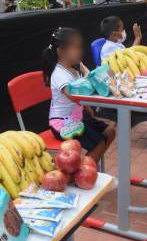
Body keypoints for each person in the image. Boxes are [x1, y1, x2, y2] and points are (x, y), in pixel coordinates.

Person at [42, 27, 116, 163]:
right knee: (98, 142)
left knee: (110, 132)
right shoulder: (59, 74)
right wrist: (90, 77)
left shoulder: (74, 70)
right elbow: (73, 96)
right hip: (62, 124)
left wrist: (87, 109)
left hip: (77, 118)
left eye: (80, 47)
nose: (80, 52)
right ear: (61, 51)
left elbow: (81, 98)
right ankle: (83, 170)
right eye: (76, 48)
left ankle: (90, 164)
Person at [99, 16, 147, 139]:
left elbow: (130, 55)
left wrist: (138, 38)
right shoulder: (108, 49)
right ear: (114, 34)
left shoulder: (117, 44)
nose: (124, 32)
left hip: (127, 76)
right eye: (122, 29)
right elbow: (116, 69)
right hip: (120, 82)